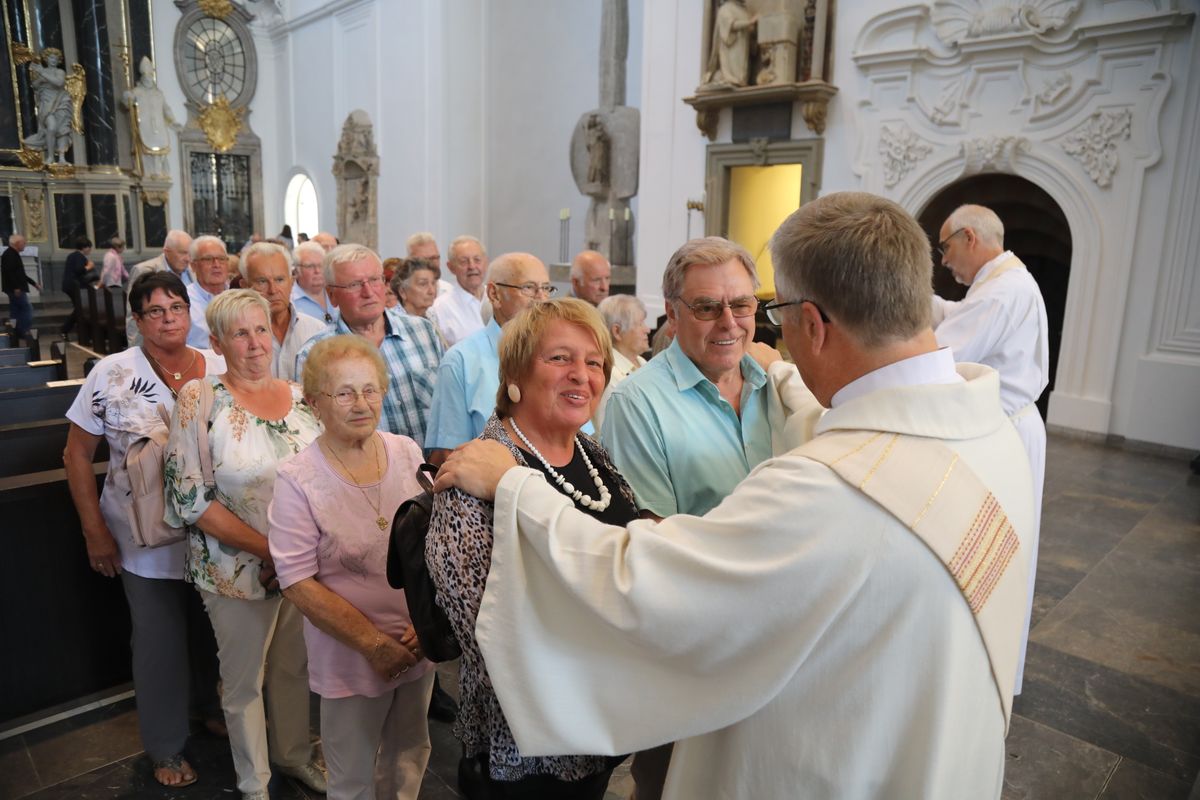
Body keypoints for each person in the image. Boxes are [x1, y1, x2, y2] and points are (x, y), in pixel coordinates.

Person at [434, 192, 1035, 800]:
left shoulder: (828, 488)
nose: (748, 332)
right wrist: (786, 379)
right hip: (946, 754)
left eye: (763, 311)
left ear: (814, 326)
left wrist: (515, 487)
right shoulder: (991, 432)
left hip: (832, 760)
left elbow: (641, 576)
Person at [427, 298, 638, 797]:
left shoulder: (591, 453)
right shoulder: (478, 469)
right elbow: (487, 627)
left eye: (594, 362)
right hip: (529, 744)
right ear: (515, 373)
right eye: (559, 358)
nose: (581, 376)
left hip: (605, 718)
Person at [63, 270, 226, 789]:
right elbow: (75, 453)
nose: (169, 318)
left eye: (177, 307)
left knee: (213, 632)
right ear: (137, 320)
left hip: (215, 531)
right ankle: (166, 745)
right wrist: (94, 532)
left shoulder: (217, 366)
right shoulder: (111, 372)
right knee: (158, 640)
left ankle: (208, 706)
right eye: (155, 311)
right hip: (142, 536)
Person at [164, 290, 326, 800]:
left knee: (292, 667)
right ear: (216, 342)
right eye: (240, 334)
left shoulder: (301, 396)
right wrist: (273, 552)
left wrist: (302, 554)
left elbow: (325, 477)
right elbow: (191, 498)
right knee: (243, 683)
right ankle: (253, 785)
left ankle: (294, 757)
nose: (255, 344)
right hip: (233, 569)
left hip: (301, 567)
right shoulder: (200, 398)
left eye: (261, 330)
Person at [269, 335, 434, 800]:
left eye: (370, 389)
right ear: (315, 402)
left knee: (408, 755)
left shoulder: (405, 450)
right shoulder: (297, 478)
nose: (360, 403)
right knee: (353, 775)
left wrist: (426, 626)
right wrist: (374, 645)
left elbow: (434, 542)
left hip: (415, 641)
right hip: (352, 653)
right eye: (344, 392)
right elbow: (297, 582)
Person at [931, 203, 1050, 695]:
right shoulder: (1008, 282)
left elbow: (943, 356)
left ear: (969, 238)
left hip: (1006, 430)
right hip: (1016, 425)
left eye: (945, 247)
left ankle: (987, 673)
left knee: (996, 551)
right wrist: (919, 298)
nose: (943, 260)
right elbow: (962, 318)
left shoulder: (1001, 292)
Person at [295, 244, 443, 447]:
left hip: (434, 471)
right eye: (354, 284)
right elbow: (312, 431)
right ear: (332, 295)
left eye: (374, 280)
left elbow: (448, 407)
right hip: (363, 474)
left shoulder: (423, 332)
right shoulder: (314, 355)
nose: (368, 292)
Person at [425, 253, 559, 465]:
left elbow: (580, 436)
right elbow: (448, 456)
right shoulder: (461, 361)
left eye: (546, 288)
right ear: (494, 294)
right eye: (529, 288)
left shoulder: (559, 355)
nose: (541, 299)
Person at [241, 242, 326, 382]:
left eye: (280, 280)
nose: (273, 290)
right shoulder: (237, 338)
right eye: (262, 281)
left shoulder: (316, 331)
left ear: (292, 282)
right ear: (244, 286)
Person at [126, 230, 195, 345]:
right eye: (183, 253)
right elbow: (133, 315)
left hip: (189, 341)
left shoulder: (192, 271)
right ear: (167, 252)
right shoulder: (145, 270)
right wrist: (136, 348)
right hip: (156, 342)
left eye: (190, 254)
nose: (187, 259)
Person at [593, 294, 649, 430]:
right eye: (640, 323)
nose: (647, 330)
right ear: (617, 331)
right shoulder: (606, 374)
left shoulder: (642, 362)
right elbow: (602, 431)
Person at [428, 235, 488, 346]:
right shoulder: (439, 309)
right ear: (451, 267)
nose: (472, 266)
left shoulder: (499, 298)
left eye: (477, 260)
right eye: (464, 261)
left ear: (486, 262)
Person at [25, 48, 73, 164]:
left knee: (63, 129)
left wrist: (42, 73)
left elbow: (59, 83)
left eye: (56, 58)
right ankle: (50, 156)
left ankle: (62, 157)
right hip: (46, 103)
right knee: (51, 127)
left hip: (61, 101)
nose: (53, 60)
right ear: (46, 59)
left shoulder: (59, 72)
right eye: (51, 57)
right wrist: (39, 79)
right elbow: (35, 86)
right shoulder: (42, 72)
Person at [186, 236, 230, 348]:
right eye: (208, 259)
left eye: (221, 259)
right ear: (193, 266)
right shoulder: (183, 300)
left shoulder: (238, 296)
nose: (216, 265)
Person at [2, 234, 39, 341]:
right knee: (27, 308)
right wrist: (16, 287)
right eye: (23, 242)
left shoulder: (12, 254)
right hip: (15, 289)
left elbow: (20, 274)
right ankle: (24, 331)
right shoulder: (10, 255)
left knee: (15, 310)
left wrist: (33, 283)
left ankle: (15, 331)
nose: (25, 245)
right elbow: (10, 273)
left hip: (14, 288)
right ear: (17, 243)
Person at [291, 240, 337, 324]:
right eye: (310, 266)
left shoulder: (336, 291)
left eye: (321, 265)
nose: (317, 271)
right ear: (297, 270)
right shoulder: (290, 301)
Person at [61, 235, 96, 337]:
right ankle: (65, 329)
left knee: (79, 308)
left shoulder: (72, 255)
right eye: (89, 248)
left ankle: (81, 331)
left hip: (69, 285)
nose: (90, 250)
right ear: (84, 247)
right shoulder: (79, 256)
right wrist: (89, 267)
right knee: (80, 309)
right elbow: (78, 270)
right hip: (74, 286)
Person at [406, 231, 453, 297]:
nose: (431, 264)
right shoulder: (402, 294)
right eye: (424, 260)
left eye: (434, 258)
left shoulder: (450, 291)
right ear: (410, 262)